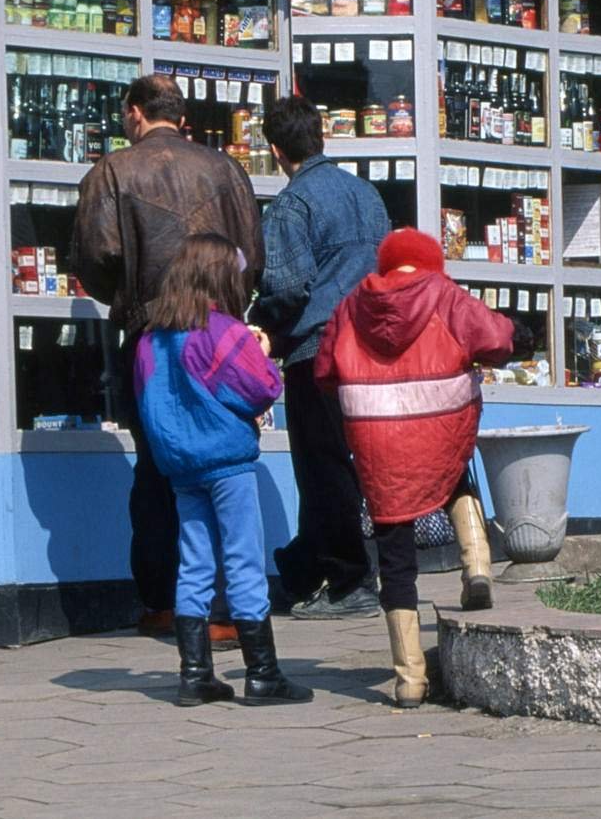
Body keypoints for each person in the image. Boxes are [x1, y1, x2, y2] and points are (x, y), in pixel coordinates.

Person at [72, 74, 263, 640]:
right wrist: (227, 308)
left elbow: (96, 256)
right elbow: (253, 254)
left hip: (152, 335)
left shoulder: (113, 170)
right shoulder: (226, 169)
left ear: (135, 113)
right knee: (225, 466)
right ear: (178, 116)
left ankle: (163, 601)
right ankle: (228, 608)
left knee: (158, 469)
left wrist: (133, 298)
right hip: (218, 333)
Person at [315, 228, 510, 708]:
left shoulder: (350, 305)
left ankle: (409, 681)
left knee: (395, 551)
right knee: (452, 475)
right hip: (438, 421)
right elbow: (498, 340)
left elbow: (324, 371)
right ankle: (477, 565)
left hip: (376, 437)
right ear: (430, 263)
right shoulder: (444, 295)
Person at [132, 233, 310, 707]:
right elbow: (261, 388)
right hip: (227, 462)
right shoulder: (222, 330)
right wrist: (265, 350)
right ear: (221, 277)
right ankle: (263, 674)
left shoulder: (151, 338)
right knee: (243, 560)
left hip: (181, 466)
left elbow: (148, 404)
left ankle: (195, 675)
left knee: (193, 564)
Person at [250, 94, 390, 620]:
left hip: (317, 350)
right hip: (372, 350)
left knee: (322, 466)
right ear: (320, 136)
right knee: (349, 462)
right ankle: (305, 568)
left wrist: (261, 326)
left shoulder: (292, 205)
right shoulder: (367, 194)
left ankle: (352, 580)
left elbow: (287, 287)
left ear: (275, 149)